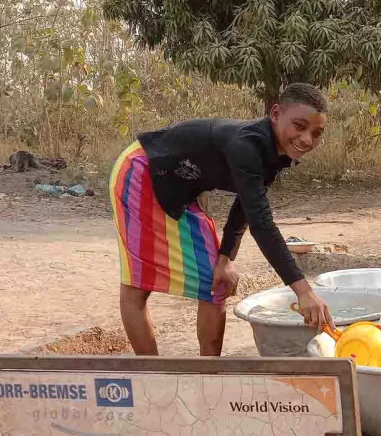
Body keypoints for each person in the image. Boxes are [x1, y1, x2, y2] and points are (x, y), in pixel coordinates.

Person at [109, 83, 334, 356]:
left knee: (216, 282)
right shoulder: (247, 146)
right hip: (142, 171)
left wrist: (225, 259)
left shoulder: (274, 152)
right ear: (275, 113)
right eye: (299, 126)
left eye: (316, 133)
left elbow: (245, 206)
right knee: (138, 284)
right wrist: (303, 291)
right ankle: (154, 372)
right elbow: (261, 223)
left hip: (176, 183)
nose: (307, 139)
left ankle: (210, 374)